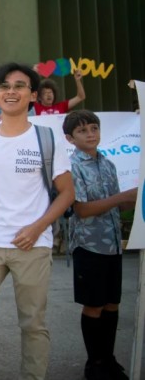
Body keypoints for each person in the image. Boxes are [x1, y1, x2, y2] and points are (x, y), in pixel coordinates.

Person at [0, 62, 75, 380]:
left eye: (19, 86)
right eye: (4, 86)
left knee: (33, 324)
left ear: (33, 95)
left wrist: (37, 227)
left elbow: (66, 193)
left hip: (33, 247)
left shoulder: (47, 139)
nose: (11, 91)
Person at [63, 110, 135, 380]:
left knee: (112, 304)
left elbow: (119, 204)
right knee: (93, 305)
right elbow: (81, 210)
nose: (91, 134)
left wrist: (133, 199)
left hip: (113, 245)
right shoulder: (73, 168)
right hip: (89, 246)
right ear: (70, 138)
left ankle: (109, 359)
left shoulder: (108, 164)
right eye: (83, 131)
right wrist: (122, 197)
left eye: (94, 128)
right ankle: (94, 364)